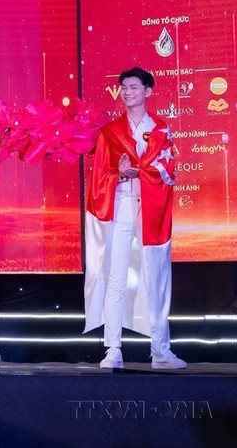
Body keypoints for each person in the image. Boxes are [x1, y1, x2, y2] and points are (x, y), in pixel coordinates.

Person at [83, 67, 185, 369]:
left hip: (152, 209)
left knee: (156, 278)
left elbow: (169, 172)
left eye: (134, 87)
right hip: (121, 206)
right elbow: (100, 175)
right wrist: (119, 173)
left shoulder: (161, 130)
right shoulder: (111, 132)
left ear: (148, 91)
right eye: (124, 88)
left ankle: (160, 351)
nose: (127, 92)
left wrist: (140, 170)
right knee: (115, 278)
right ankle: (113, 348)